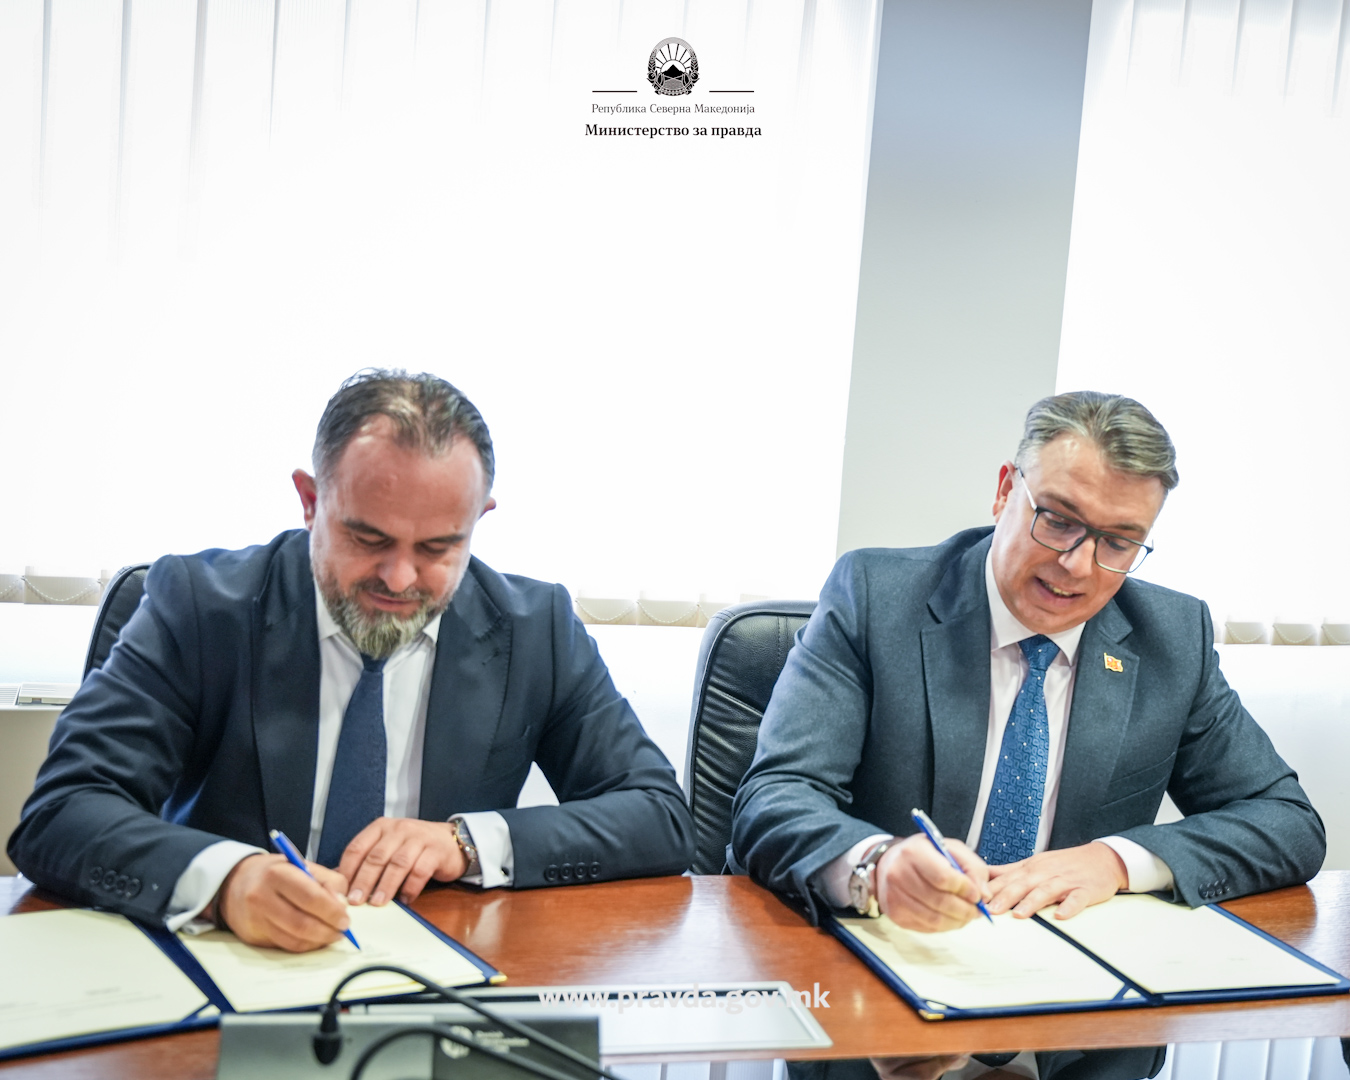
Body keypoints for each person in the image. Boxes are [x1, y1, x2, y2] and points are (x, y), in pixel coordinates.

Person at [731, 391, 1324, 1080]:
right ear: (1004, 491)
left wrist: (1115, 860)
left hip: (1084, 1038)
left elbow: (1287, 822)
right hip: (888, 1024)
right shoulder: (876, 597)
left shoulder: (1172, 638)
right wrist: (878, 867)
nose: (1077, 564)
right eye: (1059, 521)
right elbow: (776, 797)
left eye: (1118, 542)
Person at [9, 370, 694, 952]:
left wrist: (467, 842)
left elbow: (658, 816)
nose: (399, 578)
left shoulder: (534, 626)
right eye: (368, 539)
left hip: (438, 970)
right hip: (226, 961)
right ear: (311, 502)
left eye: (437, 548)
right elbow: (63, 811)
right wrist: (226, 881)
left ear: (478, 519)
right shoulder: (198, 605)